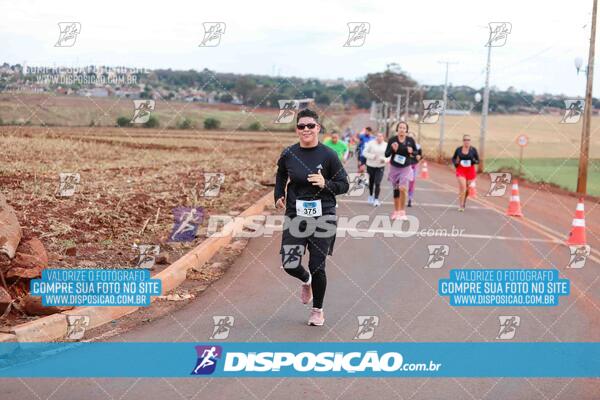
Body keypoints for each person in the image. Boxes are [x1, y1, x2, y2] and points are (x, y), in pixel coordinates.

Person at [275, 109, 349, 326]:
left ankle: (317, 310)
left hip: (323, 215)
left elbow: (344, 185)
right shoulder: (289, 153)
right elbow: (280, 174)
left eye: (310, 126)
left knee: (318, 265)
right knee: (289, 264)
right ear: (297, 129)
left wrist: (325, 183)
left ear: (318, 128)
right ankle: (305, 280)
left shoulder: (328, 155)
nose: (305, 129)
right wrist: (278, 194)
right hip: (296, 215)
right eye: (301, 126)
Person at [384, 121, 417, 220]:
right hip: (394, 167)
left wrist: (412, 152)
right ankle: (396, 211)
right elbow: (386, 154)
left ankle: (402, 212)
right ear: (397, 129)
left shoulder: (410, 140)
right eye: (400, 127)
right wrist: (392, 149)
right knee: (396, 189)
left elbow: (416, 152)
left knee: (403, 188)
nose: (402, 129)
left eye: (404, 128)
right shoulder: (392, 140)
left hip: (406, 167)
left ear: (406, 130)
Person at [452, 134, 479, 211]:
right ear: (463, 141)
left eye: (468, 140)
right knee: (463, 187)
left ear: (470, 141)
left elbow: (478, 160)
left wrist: (474, 161)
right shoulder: (458, 149)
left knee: (467, 189)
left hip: (470, 170)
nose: (466, 141)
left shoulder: (473, 150)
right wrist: (456, 163)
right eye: (465, 140)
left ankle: (463, 202)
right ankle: (461, 205)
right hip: (461, 170)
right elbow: (453, 158)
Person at [363, 132, 388, 207]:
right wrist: (372, 156)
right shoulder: (371, 143)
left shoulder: (386, 145)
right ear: (376, 137)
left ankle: (376, 199)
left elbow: (389, 156)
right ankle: (370, 195)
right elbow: (364, 152)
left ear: (383, 137)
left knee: (377, 182)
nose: (379, 137)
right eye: (378, 136)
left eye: (381, 136)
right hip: (370, 165)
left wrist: (384, 160)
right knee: (371, 182)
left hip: (380, 166)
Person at [407, 131, 423, 207]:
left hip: (414, 165)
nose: (411, 138)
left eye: (412, 137)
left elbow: (420, 156)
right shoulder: (404, 145)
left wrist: (419, 157)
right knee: (402, 182)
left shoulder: (418, 146)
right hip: (405, 166)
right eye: (409, 137)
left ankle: (410, 198)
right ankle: (400, 197)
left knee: (412, 182)